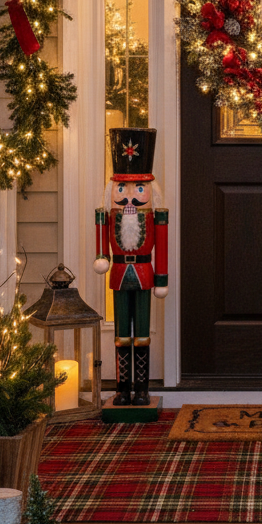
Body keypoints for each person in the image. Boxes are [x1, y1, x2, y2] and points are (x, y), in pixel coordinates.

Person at [94, 127, 168, 406]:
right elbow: (102, 236)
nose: (130, 197)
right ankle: (123, 389)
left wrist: (161, 278)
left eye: (139, 188)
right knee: (122, 334)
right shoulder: (107, 215)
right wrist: (102, 256)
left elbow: (162, 246)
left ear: (150, 189)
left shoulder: (155, 217)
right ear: (112, 188)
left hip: (145, 274)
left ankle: (143, 389)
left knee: (143, 335)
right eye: (122, 188)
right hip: (119, 274)